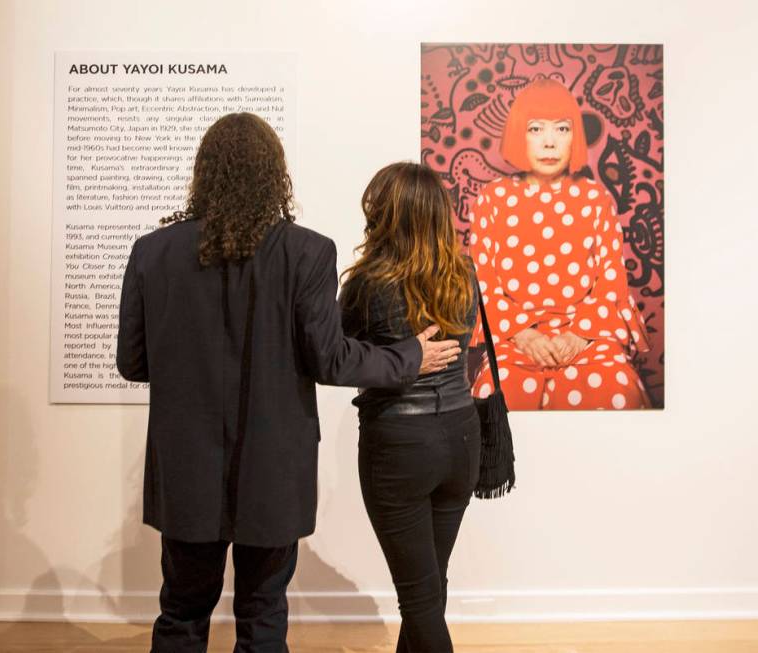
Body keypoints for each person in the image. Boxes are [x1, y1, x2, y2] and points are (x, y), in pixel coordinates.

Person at [116, 113, 461, 652]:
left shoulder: (153, 252)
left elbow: (132, 362)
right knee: (263, 611)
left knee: (181, 609)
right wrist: (407, 358)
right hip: (274, 464)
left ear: (202, 172)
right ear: (276, 173)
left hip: (184, 463)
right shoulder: (308, 252)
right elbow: (330, 360)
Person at [339, 162, 479, 653]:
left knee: (420, 598)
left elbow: (338, 359)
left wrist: (398, 360)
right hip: (462, 437)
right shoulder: (465, 275)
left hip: (399, 444)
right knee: (429, 589)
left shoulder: (368, 283)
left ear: (387, 215)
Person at [468, 78, 651, 410]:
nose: (549, 143)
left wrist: (577, 337)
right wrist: (526, 335)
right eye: (536, 129)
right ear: (518, 134)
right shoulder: (492, 199)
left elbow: (611, 283)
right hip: (514, 339)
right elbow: (483, 285)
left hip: (588, 337)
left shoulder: (596, 198)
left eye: (562, 129)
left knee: (617, 389)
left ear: (575, 137)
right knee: (497, 396)